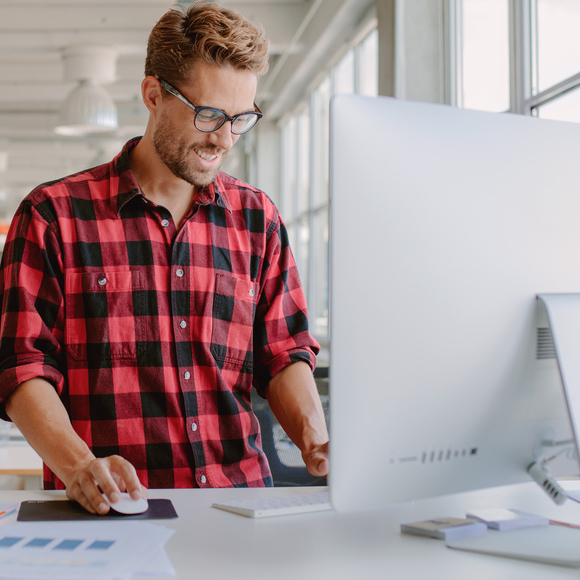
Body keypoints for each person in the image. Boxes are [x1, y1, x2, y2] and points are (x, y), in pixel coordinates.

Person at [0, 1, 328, 515]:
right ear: (153, 94)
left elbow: (283, 353)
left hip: (240, 508)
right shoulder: (53, 216)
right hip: (115, 513)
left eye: (241, 119)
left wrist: (316, 440)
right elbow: (23, 367)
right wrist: (78, 464)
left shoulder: (257, 218)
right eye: (210, 114)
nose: (224, 138)